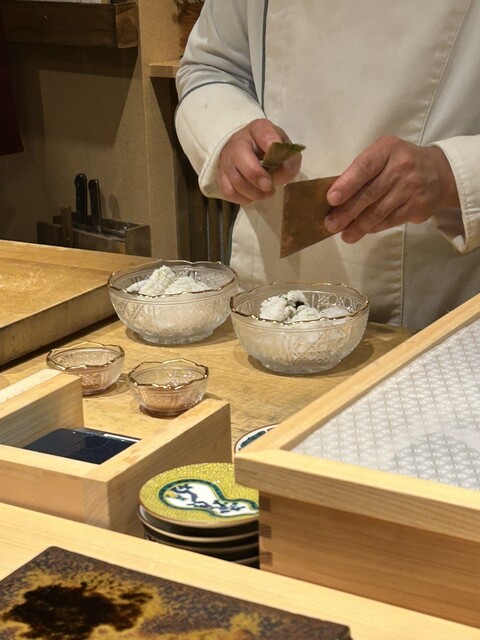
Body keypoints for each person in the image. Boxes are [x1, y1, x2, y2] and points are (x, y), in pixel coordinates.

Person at [175, 0, 480, 330]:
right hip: (270, 296)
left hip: (433, 306)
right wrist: (228, 132)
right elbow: (211, 67)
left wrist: (450, 173)